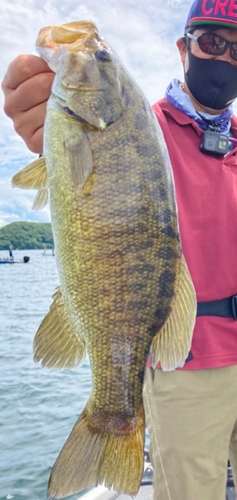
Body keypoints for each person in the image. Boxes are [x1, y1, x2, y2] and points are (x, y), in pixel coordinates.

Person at [2, 0, 237, 498]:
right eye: (214, 43)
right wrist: (45, 124)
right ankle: (113, 419)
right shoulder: (139, 129)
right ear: (184, 47)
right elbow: (67, 144)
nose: (227, 60)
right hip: (188, 365)